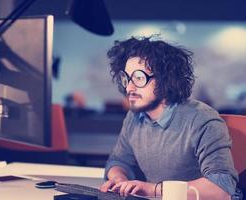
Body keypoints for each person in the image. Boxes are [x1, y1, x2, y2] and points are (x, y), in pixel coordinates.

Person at [100, 36, 241, 200]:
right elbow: (119, 161)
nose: (129, 87)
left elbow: (222, 188)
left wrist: (153, 189)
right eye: (126, 78)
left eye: (139, 78)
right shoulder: (134, 117)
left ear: (165, 80)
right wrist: (119, 179)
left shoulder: (202, 119)